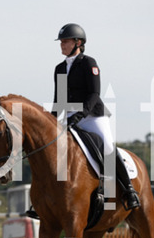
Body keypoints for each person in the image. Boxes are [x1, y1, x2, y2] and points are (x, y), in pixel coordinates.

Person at [53, 23, 140, 210]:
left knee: (107, 146)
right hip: (70, 117)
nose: (62, 44)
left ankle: (129, 190)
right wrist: (51, 120)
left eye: (66, 41)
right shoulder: (59, 68)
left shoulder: (88, 63)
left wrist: (81, 114)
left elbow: (94, 94)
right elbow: (58, 100)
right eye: (61, 41)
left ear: (78, 43)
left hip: (92, 116)